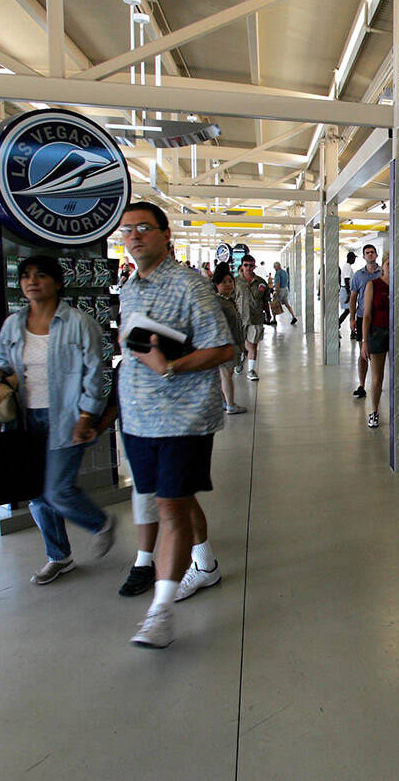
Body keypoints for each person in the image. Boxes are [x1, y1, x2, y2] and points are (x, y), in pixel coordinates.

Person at [116, 201, 235, 648]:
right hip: (138, 417)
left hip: (183, 416)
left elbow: (224, 349)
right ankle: (205, 564)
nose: (134, 236)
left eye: (144, 227)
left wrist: (170, 367)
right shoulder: (130, 288)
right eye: (127, 230)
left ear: (166, 235)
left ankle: (159, 611)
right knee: (174, 500)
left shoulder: (190, 286)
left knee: (169, 507)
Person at [0, 255, 115, 585]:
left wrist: (87, 415)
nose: (32, 281)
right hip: (24, 420)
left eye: (41, 276)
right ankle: (59, 556)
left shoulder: (78, 323)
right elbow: (2, 360)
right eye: (26, 276)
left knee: (58, 491)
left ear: (58, 283)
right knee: (36, 492)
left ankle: (99, 522)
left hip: (68, 417)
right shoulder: (13, 325)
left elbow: (94, 373)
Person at [85, 365, 223, 602]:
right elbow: (117, 401)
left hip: (173, 431)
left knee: (176, 498)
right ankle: (156, 563)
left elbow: (216, 358)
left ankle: (178, 569)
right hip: (140, 437)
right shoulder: (127, 364)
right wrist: (96, 428)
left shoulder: (174, 355)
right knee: (155, 497)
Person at [347, 245, 382, 398]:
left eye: (372, 252)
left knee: (380, 353)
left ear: (376, 254)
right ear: (363, 256)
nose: (370, 255)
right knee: (364, 351)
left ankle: (378, 382)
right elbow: (353, 297)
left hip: (381, 318)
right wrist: (352, 318)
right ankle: (362, 385)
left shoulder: (384, 273)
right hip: (363, 318)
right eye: (367, 253)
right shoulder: (358, 275)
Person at [359, 257, 390, 429]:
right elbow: (367, 316)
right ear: (383, 267)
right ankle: (375, 411)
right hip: (377, 333)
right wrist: (365, 341)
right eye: (388, 264)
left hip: (397, 334)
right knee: (378, 376)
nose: (391, 267)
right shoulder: (374, 285)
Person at [212, 267, 247, 415]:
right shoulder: (217, 303)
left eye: (230, 281)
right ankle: (230, 404)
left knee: (227, 374)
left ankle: (223, 401)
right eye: (224, 282)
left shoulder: (229, 300)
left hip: (233, 344)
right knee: (226, 374)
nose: (228, 284)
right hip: (224, 345)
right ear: (217, 285)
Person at [234, 254, 268, 382]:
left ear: (254, 266)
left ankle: (251, 370)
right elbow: (231, 298)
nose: (248, 268)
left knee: (252, 344)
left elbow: (266, 300)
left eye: (251, 265)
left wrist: (268, 314)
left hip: (256, 318)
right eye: (246, 265)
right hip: (239, 318)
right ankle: (241, 360)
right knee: (240, 345)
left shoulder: (261, 282)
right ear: (242, 266)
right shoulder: (235, 282)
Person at [272, 261, 297, 325]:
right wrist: (273, 285)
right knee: (287, 304)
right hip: (285, 289)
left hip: (280, 290)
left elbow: (278, 283)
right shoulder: (284, 272)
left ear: (277, 267)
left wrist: (276, 292)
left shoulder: (277, 273)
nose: (274, 268)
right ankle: (293, 317)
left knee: (275, 304)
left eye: (274, 267)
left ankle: (274, 320)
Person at [338, 250, 357, 328]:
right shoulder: (347, 267)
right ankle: (338, 324)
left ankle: (352, 330)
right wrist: (349, 294)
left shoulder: (346, 266)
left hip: (345, 290)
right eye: (354, 258)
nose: (354, 260)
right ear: (351, 258)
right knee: (350, 311)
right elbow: (346, 280)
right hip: (346, 291)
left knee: (349, 311)